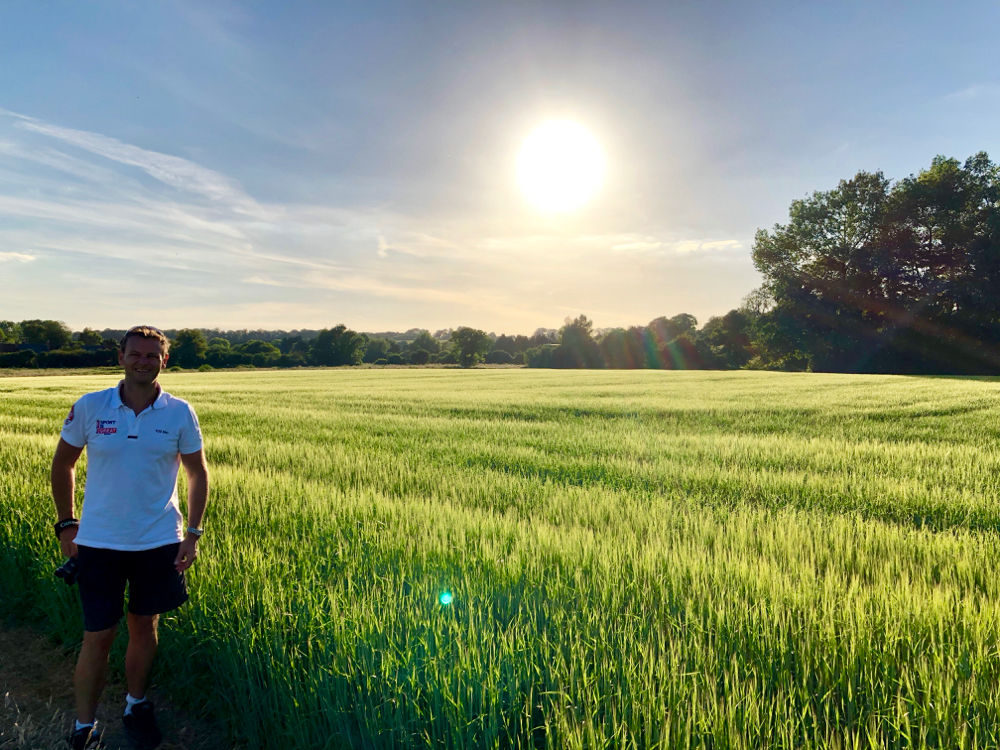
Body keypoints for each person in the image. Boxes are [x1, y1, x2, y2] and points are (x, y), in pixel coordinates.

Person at [51, 326, 209, 750]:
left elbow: (198, 474)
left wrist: (192, 534)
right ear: (120, 357)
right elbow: (62, 463)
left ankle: (135, 705)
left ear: (164, 361)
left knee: (145, 626)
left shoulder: (179, 412)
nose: (143, 361)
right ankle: (85, 728)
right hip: (99, 543)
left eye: (152, 355)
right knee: (97, 636)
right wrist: (67, 524)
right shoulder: (90, 406)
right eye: (135, 353)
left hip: (158, 542)